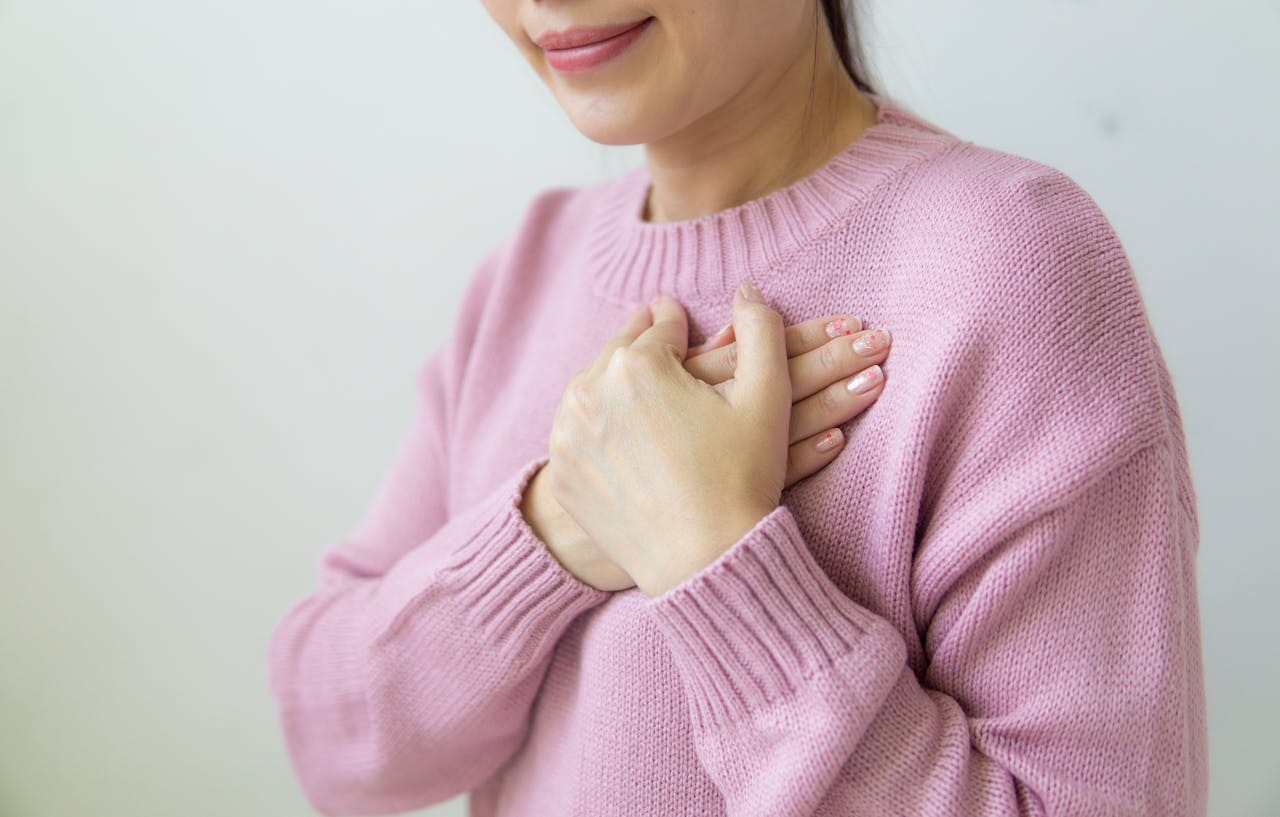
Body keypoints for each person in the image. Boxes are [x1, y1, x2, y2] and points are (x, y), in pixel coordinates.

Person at [266, 2, 1208, 815]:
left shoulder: (1009, 265)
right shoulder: (529, 269)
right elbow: (333, 738)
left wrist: (717, 559)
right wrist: (557, 525)